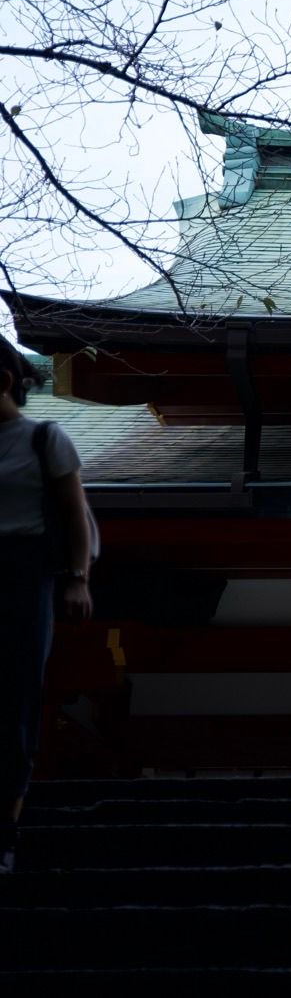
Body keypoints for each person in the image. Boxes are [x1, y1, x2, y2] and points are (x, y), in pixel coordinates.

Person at [1, 343, 95, 873]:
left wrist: (76, 579)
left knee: (14, 700)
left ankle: (7, 828)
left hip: (22, 574)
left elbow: (73, 513)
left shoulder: (42, 439)